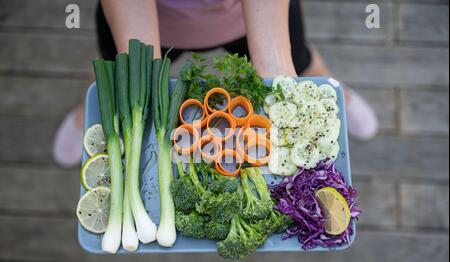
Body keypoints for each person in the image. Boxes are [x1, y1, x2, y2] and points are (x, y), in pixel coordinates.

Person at [53, 0, 378, 167]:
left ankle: (339, 96)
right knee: (116, 76)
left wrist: (275, 65)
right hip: (151, 18)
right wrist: (140, 76)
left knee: (301, 65)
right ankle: (87, 113)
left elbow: (278, 62)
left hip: (248, 17)